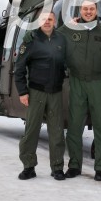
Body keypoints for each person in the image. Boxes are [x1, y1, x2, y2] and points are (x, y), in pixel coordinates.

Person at [58, 0, 101, 181]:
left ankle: (100, 168)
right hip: (77, 81)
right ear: (80, 11)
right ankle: (74, 165)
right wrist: (67, 24)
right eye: (84, 9)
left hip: (98, 82)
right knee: (74, 125)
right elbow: (51, 36)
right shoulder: (70, 29)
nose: (88, 12)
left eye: (91, 9)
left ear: (96, 11)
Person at [14, 11, 68, 180]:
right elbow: (20, 68)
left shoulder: (61, 39)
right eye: (44, 19)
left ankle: (57, 167)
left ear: (55, 21)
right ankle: (29, 166)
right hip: (36, 91)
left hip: (56, 92)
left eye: (50, 19)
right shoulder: (31, 40)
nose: (47, 22)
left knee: (57, 131)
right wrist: (22, 91)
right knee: (31, 130)